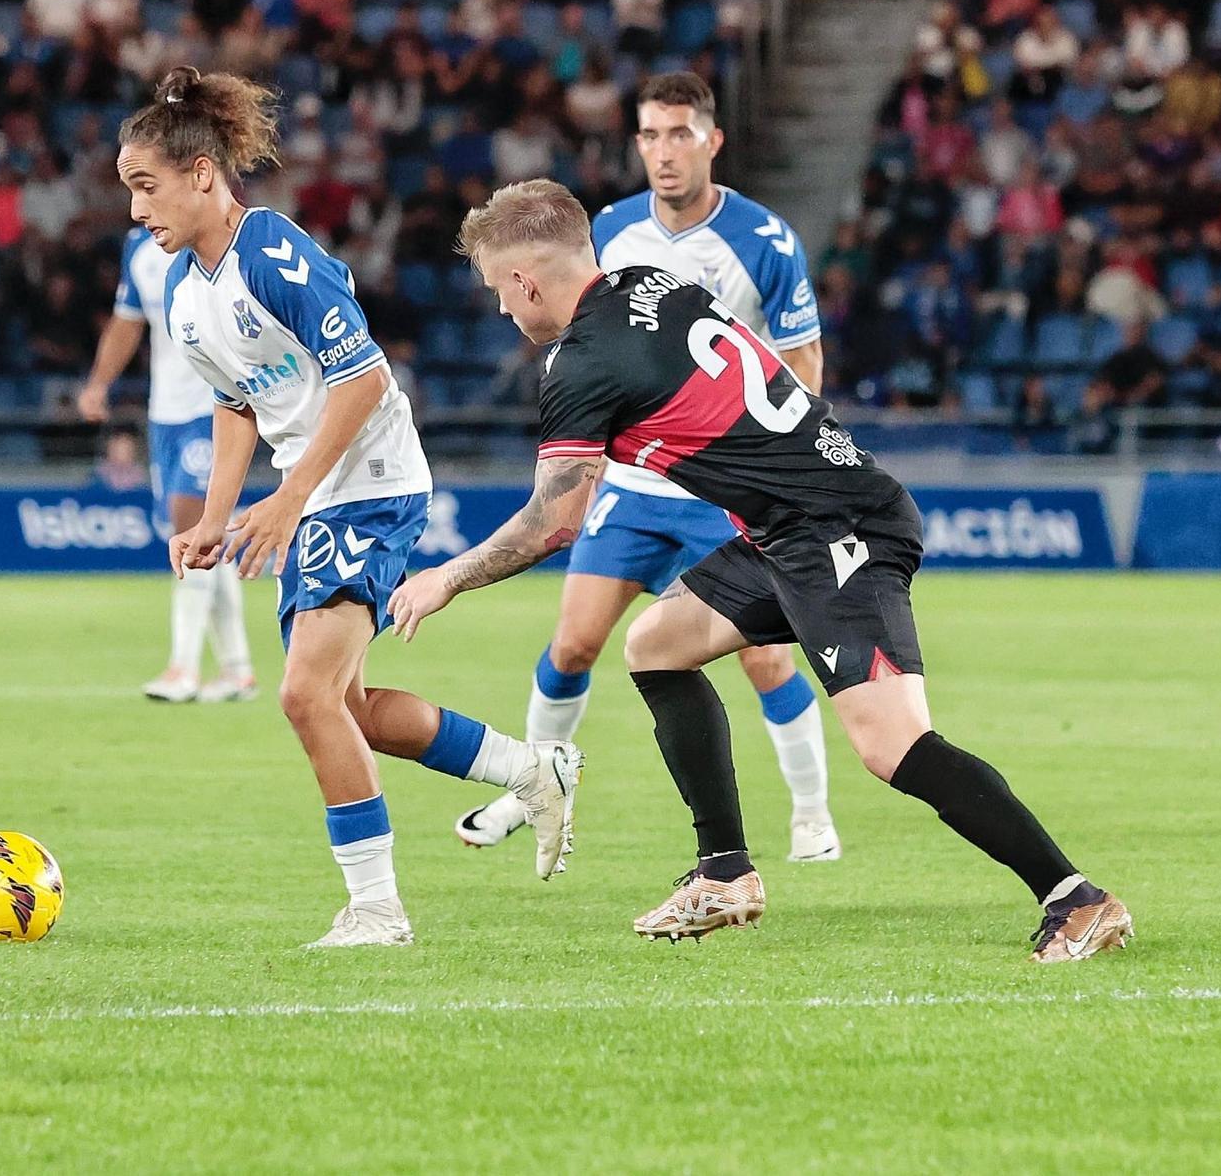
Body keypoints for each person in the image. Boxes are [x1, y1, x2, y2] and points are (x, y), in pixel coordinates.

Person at [392, 179, 1131, 963]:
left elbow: (555, 522)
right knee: (657, 643)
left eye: (500, 294)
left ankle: (1076, 897)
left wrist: (447, 576)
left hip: (837, 527)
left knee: (891, 744)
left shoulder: (581, 361)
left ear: (525, 281)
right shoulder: (652, 285)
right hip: (787, 523)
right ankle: (725, 873)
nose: (504, 313)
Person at [114, 67, 580, 947]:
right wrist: (217, 515)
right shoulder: (184, 292)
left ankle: (377, 909)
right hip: (317, 494)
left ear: (203, 174)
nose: (138, 212)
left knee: (301, 694)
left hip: (367, 484)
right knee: (345, 707)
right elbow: (238, 403)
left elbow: (365, 377)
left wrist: (287, 500)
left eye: (147, 187)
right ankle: (532, 766)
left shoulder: (273, 252)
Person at [453, 73, 840, 865]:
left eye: (680, 135)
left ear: (711, 141)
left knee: (765, 655)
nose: (664, 153)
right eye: (650, 136)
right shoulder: (612, 229)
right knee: (572, 645)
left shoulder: (762, 240)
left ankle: (812, 813)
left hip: (715, 484)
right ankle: (536, 782)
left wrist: (770, 466)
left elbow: (802, 361)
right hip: (630, 486)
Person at [78, 224, 256, 703]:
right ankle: (238, 669)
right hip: (165, 415)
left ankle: (183, 668)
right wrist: (98, 384)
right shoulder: (139, 246)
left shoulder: (222, 236)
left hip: (215, 406)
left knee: (191, 527)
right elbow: (126, 319)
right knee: (200, 538)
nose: (140, 202)